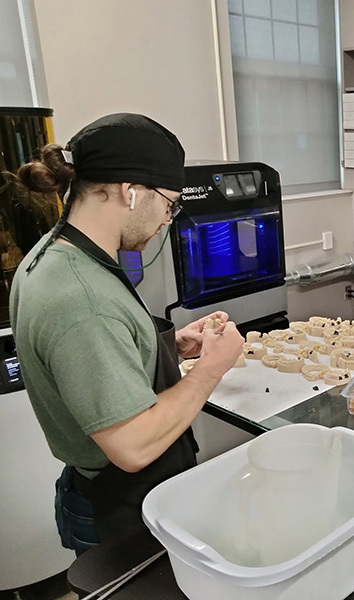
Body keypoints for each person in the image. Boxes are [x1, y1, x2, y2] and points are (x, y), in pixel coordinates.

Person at [8, 113, 245, 554]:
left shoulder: (58, 254)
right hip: (117, 506)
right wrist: (212, 367)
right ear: (131, 192)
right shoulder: (79, 297)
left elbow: (84, 359)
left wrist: (164, 346)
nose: (168, 220)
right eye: (170, 204)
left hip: (117, 494)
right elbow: (132, 445)